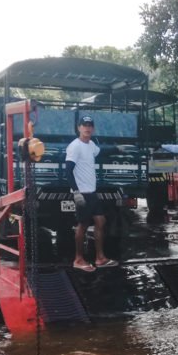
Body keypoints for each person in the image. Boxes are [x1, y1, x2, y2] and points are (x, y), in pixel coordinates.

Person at [65, 115, 118, 272]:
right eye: (84, 125)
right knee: (82, 225)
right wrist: (76, 193)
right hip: (82, 193)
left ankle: (100, 258)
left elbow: (100, 152)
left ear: (93, 128)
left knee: (100, 222)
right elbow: (68, 170)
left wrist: (118, 148)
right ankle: (78, 259)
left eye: (89, 125)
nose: (87, 128)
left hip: (92, 192)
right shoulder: (75, 146)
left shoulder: (91, 145)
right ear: (78, 128)